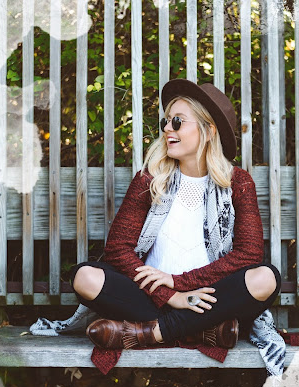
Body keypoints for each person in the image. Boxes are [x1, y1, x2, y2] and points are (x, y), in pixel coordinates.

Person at [71, 79, 280, 350]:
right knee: (85, 277)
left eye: (178, 121)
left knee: (266, 278)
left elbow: (248, 254)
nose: (168, 128)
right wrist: (170, 295)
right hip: (151, 298)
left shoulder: (237, 183)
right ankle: (200, 331)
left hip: (211, 297)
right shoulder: (150, 179)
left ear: (208, 130)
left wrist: (180, 283)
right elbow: (117, 249)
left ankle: (155, 332)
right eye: (166, 122)